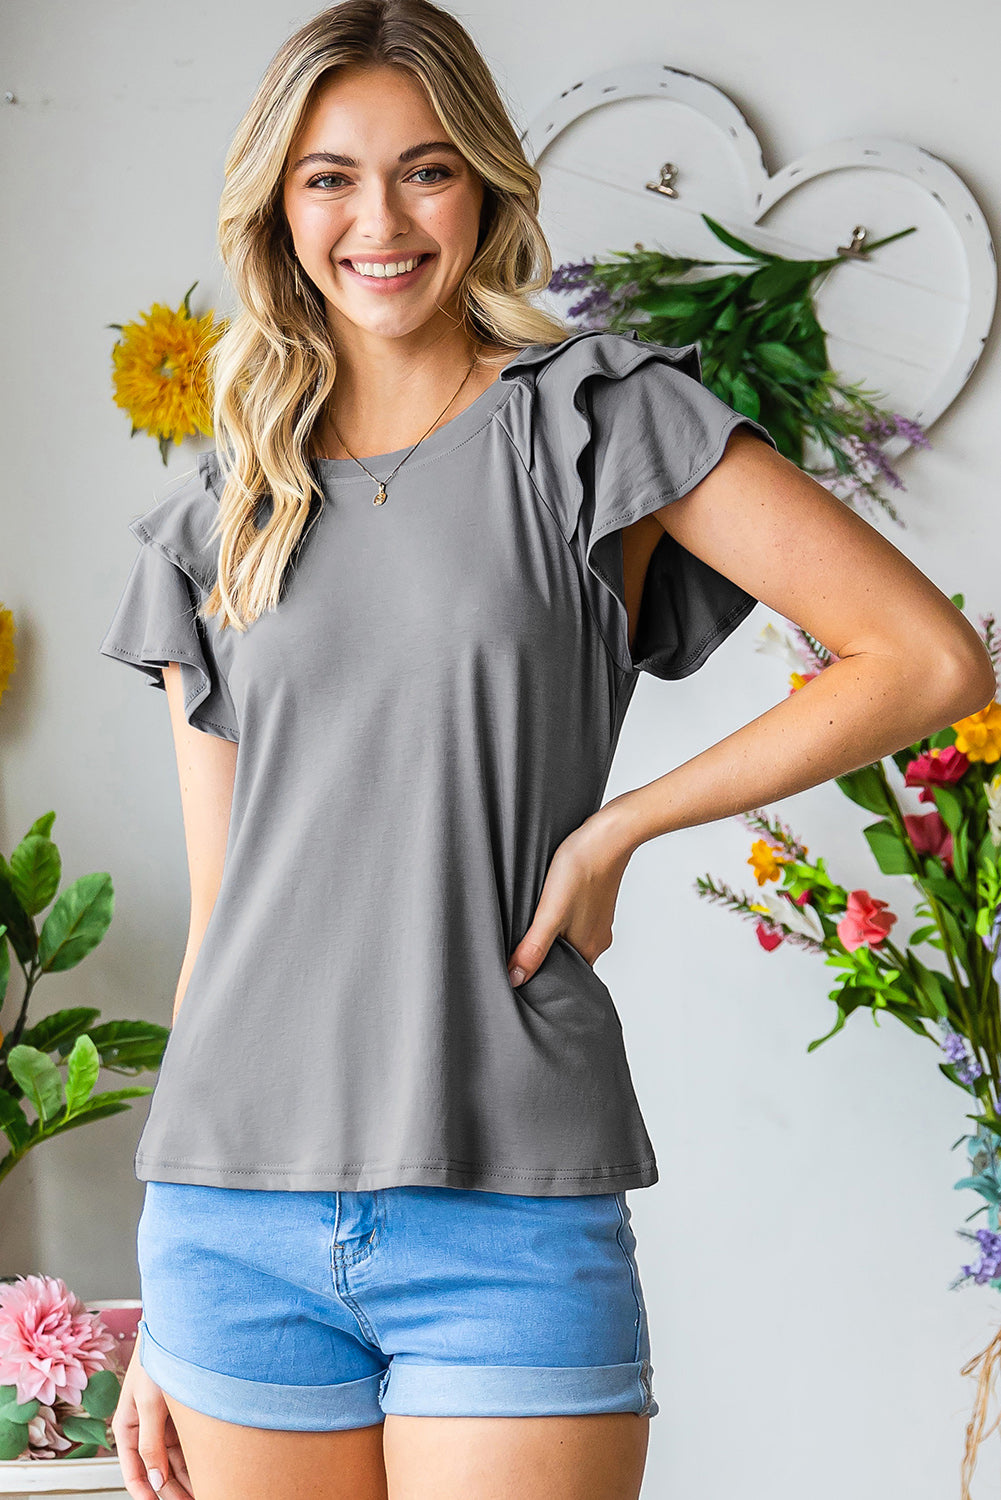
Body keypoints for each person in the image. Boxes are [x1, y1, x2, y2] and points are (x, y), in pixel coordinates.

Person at [98, 3, 996, 1497]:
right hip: (228, 1225)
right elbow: (221, 911)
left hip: (504, 1212)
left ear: (485, 186)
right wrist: (159, 1301)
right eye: (328, 178)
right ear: (277, 208)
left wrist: (617, 827)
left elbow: (925, 659)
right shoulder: (221, 514)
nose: (379, 222)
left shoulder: (593, 425)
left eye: (424, 170)